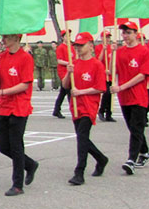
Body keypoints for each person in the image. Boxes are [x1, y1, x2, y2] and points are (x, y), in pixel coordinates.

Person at [0, 33, 40, 197]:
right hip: (4, 106)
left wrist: (2, 91)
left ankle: (17, 184)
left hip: (19, 106)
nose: (3, 40)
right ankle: (30, 164)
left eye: (7, 37)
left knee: (16, 145)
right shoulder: (2, 57)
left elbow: (24, 84)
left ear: (17, 39)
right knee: (3, 146)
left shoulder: (25, 58)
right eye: (3, 37)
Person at [62, 32, 109, 185]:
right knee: (82, 138)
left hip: (89, 106)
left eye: (81, 45)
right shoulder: (74, 63)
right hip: (76, 106)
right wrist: (68, 74)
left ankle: (79, 171)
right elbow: (65, 85)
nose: (78, 48)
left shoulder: (96, 64)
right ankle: (101, 158)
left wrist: (81, 92)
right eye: (77, 45)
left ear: (90, 45)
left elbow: (100, 87)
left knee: (82, 137)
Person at [111, 22, 149, 175]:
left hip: (139, 96)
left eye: (128, 32)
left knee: (136, 128)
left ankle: (131, 160)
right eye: (123, 33)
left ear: (136, 33)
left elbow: (141, 75)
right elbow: (113, 71)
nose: (125, 36)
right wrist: (112, 54)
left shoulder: (144, 51)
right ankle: (145, 152)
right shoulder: (120, 52)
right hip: (124, 97)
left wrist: (122, 86)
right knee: (133, 128)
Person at [96, 32, 116, 122]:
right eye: (106, 37)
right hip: (103, 74)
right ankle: (101, 110)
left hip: (111, 74)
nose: (107, 39)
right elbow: (98, 61)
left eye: (108, 37)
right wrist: (103, 50)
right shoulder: (99, 47)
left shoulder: (111, 48)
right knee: (106, 92)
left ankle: (109, 114)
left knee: (111, 94)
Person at [52, 32, 71, 118]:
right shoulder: (61, 48)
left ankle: (56, 110)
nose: (69, 37)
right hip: (64, 72)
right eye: (67, 36)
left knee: (63, 93)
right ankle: (74, 109)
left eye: (69, 36)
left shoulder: (71, 47)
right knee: (69, 90)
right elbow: (59, 61)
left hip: (70, 72)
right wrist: (69, 63)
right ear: (63, 37)